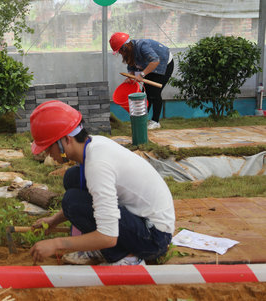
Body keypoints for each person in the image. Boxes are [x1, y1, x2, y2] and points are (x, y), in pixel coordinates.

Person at [29, 100, 175, 265]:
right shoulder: (93, 144)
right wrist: (53, 220)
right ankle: (112, 249)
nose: (48, 154)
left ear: (66, 141)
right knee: (73, 177)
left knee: (72, 201)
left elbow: (108, 236)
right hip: (142, 220)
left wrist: (57, 244)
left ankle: (127, 258)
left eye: (48, 147)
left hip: (153, 238)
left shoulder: (98, 165)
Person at [110, 32, 174, 130]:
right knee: (146, 92)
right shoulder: (129, 52)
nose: (119, 53)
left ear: (125, 47)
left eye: (119, 50)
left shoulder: (142, 46)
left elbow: (155, 61)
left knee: (155, 93)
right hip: (149, 65)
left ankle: (155, 121)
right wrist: (130, 77)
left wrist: (142, 75)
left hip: (164, 64)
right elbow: (131, 65)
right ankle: (141, 121)